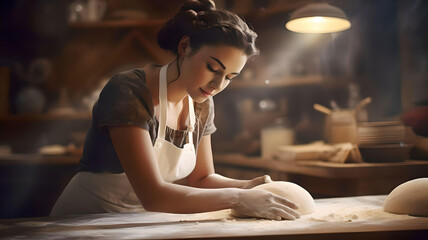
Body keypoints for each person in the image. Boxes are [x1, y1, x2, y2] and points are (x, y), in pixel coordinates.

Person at [50, 0, 300, 221]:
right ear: (185, 47)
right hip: (83, 221)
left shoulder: (202, 103)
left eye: (229, 77)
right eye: (213, 68)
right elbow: (154, 195)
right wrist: (237, 198)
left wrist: (249, 187)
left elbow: (201, 179)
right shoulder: (128, 91)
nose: (217, 85)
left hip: (136, 223)